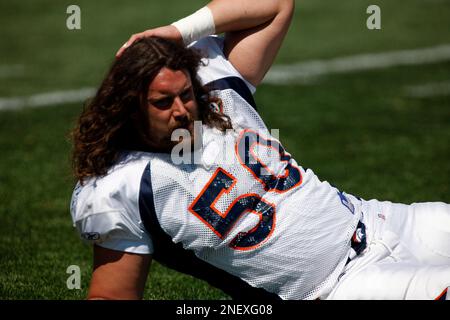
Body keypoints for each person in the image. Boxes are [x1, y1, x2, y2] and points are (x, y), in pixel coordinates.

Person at [70, 0, 450, 300]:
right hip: (340, 286)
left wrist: (174, 33)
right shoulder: (121, 188)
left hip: (379, 219)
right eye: (162, 102)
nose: (182, 109)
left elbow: (276, 4)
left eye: (185, 94)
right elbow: (112, 294)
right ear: (128, 107)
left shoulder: (212, 88)